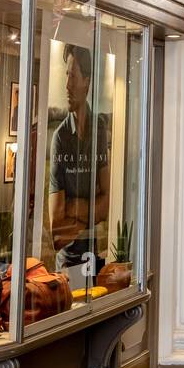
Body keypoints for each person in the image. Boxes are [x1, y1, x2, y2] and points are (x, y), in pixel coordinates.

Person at [48, 44, 110, 285]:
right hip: (67, 266)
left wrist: (73, 207)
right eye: (66, 76)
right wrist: (92, 212)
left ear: (87, 81)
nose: (67, 85)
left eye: (73, 77)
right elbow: (56, 233)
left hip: (94, 257)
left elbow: (105, 208)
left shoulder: (100, 128)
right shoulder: (60, 138)